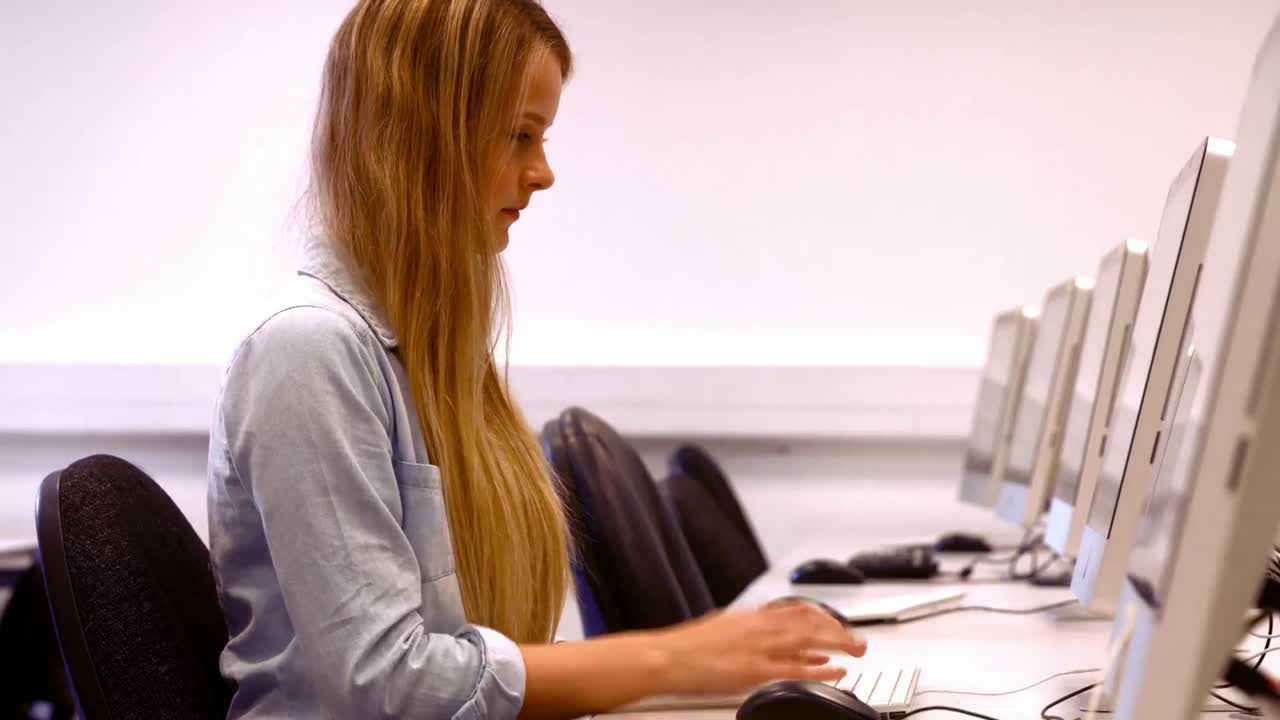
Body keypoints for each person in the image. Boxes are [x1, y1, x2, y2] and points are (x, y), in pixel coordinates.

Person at [207, 1, 866, 718]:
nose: (543, 173)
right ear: (418, 136)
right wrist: (676, 657)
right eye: (521, 136)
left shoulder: (433, 352)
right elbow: (387, 682)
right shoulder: (307, 352)